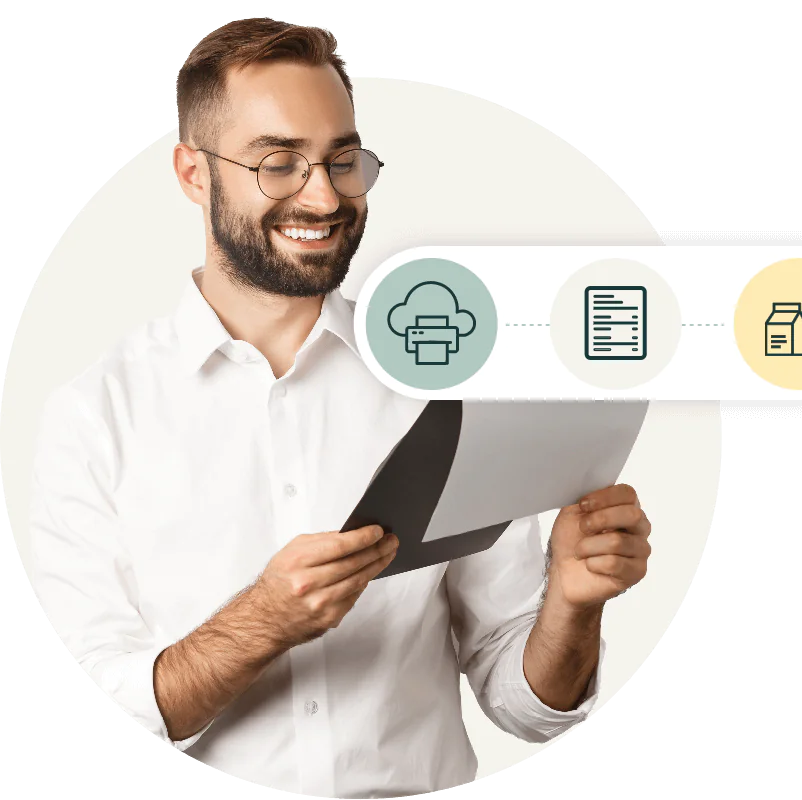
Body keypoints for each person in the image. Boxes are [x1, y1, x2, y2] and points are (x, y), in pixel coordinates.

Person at [28, 18, 653, 799]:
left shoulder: (440, 384)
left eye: (342, 160)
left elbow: (522, 706)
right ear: (193, 173)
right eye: (279, 163)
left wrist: (571, 601)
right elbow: (105, 691)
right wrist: (261, 622)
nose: (323, 196)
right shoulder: (96, 418)